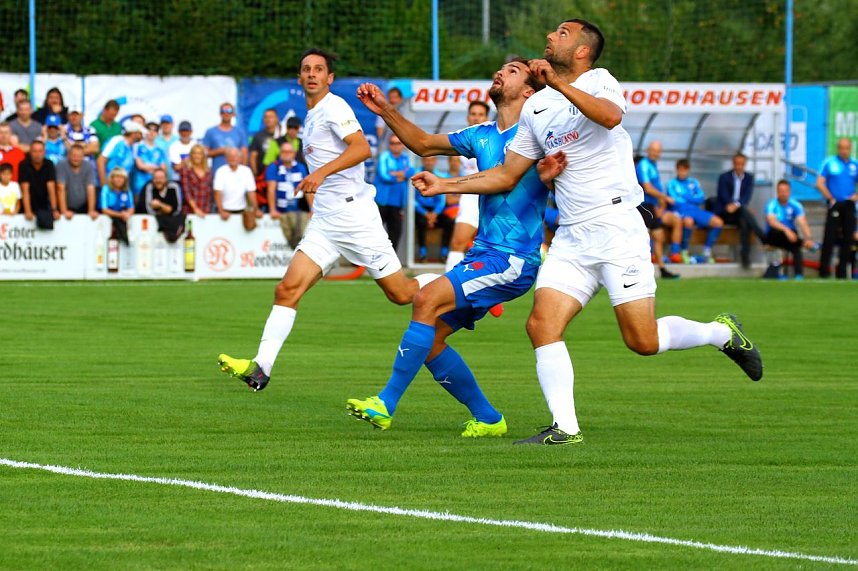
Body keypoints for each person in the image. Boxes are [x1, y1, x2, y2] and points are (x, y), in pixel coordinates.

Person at [411, 19, 763, 445]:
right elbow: (506, 174)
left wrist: (558, 84)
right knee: (541, 325)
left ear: (581, 50)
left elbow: (610, 117)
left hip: (617, 227)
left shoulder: (599, 81)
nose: (550, 37)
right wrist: (445, 184)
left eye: (561, 33)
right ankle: (566, 428)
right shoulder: (536, 111)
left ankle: (721, 332)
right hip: (572, 237)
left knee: (643, 341)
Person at [346, 58, 553, 437]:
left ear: (528, 89)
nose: (500, 72)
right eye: (501, 68)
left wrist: (444, 184)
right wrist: (386, 110)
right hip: (484, 253)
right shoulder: (483, 134)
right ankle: (489, 418)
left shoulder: (536, 133)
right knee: (432, 337)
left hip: (512, 257)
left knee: (425, 299)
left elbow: (506, 180)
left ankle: (385, 403)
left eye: (512, 70)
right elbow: (423, 143)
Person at [218, 48, 432, 392]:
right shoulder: (312, 115)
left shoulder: (335, 107)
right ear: (300, 78)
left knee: (401, 293)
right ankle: (262, 367)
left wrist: (320, 173)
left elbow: (361, 148)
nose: (313, 73)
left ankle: (462, 283)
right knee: (287, 289)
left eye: (319, 69)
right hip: (328, 221)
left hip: (356, 217)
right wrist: (319, 191)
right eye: (307, 69)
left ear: (329, 78)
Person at [446, 100, 490, 273]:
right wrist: (453, 165)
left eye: (480, 114)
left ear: (486, 117)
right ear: (468, 117)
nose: (476, 118)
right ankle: (448, 285)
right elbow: (454, 169)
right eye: (473, 114)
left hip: (494, 197)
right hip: (471, 198)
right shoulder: (460, 138)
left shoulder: (497, 137)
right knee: (458, 242)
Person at [636, 141, 681, 276]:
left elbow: (657, 188)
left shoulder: (653, 165)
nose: (655, 153)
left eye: (658, 151)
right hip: (643, 206)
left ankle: (663, 266)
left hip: (651, 206)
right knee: (650, 236)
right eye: (653, 150)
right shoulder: (643, 165)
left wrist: (661, 203)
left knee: (658, 236)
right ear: (647, 150)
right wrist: (665, 198)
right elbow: (648, 188)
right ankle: (647, 268)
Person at [715, 153, 767, 268]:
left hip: (739, 211)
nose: (739, 166)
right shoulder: (724, 177)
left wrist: (737, 205)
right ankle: (761, 235)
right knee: (745, 211)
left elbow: (747, 197)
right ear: (733, 164)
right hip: (725, 211)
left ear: (745, 165)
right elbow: (723, 195)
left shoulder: (749, 178)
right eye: (737, 164)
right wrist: (732, 205)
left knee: (745, 222)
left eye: (741, 164)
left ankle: (745, 256)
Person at [815, 138, 858, 279]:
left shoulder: (854, 164)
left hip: (849, 204)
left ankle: (842, 272)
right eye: (841, 148)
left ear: (850, 149)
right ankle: (824, 271)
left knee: (848, 239)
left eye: (846, 148)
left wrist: (855, 196)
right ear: (837, 148)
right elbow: (820, 183)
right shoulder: (830, 163)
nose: (844, 151)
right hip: (835, 203)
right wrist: (830, 197)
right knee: (830, 237)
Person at [667, 159, 723, 263]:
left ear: (688, 170)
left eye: (685, 170)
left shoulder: (694, 182)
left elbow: (701, 198)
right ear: (677, 170)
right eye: (680, 170)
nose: (682, 172)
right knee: (688, 222)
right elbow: (675, 201)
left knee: (718, 222)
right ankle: (684, 251)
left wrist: (685, 196)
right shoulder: (672, 183)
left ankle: (707, 251)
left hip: (695, 210)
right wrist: (691, 197)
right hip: (681, 210)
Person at [763, 179, 816, 280]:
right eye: (781, 191)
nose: (783, 194)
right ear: (777, 192)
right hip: (774, 235)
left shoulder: (795, 205)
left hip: (791, 237)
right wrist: (786, 231)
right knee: (782, 234)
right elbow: (771, 221)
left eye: (785, 191)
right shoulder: (772, 204)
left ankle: (798, 275)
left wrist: (809, 237)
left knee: (796, 247)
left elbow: (802, 222)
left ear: (789, 192)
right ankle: (804, 243)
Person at [373, 134, 414, 250]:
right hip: (382, 201)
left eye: (398, 143)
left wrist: (395, 173)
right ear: (389, 145)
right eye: (392, 143)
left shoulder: (406, 158)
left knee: (395, 233)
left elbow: (411, 171)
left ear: (402, 145)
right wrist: (401, 175)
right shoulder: (384, 156)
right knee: (375, 233)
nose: (395, 146)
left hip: (398, 203)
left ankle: (391, 263)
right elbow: (384, 175)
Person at [266, 142, 310, 249]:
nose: (286, 154)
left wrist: (312, 209)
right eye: (284, 152)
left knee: (300, 236)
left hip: (299, 209)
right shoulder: (274, 167)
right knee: (291, 238)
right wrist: (272, 210)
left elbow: (307, 190)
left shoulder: (301, 167)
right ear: (280, 153)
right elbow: (271, 189)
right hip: (282, 210)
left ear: (294, 154)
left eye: (289, 152)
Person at [414, 156, 454, 262]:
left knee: (449, 222)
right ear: (423, 161)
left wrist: (435, 214)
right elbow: (412, 200)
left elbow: (442, 200)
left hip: (436, 210)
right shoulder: (415, 176)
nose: (429, 162)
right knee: (421, 222)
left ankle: (444, 253)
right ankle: (423, 253)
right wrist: (425, 213)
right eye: (426, 160)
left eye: (431, 160)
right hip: (421, 210)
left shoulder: (440, 176)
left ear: (435, 161)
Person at [213, 146, 259, 229]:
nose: (233, 158)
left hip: (242, 211)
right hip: (224, 211)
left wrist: (256, 209)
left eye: (235, 156)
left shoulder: (246, 171)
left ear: (240, 158)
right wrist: (221, 211)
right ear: (226, 158)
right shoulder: (220, 171)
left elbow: (251, 192)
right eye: (230, 156)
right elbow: (217, 192)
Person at [19, 140, 58, 228]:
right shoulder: (24, 165)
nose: (37, 154)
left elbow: (51, 188)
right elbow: (25, 189)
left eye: (40, 151)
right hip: (27, 205)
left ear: (44, 152)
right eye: (34, 151)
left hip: (44, 206)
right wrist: (28, 211)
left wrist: (54, 209)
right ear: (30, 152)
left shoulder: (49, 164)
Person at [98, 120, 144, 189]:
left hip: (123, 187)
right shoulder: (116, 140)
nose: (142, 136)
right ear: (134, 133)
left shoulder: (133, 147)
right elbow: (101, 160)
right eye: (140, 133)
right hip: (109, 186)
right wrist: (104, 184)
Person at [56, 143, 98, 219]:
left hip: (83, 206)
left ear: (83, 157)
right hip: (65, 206)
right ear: (68, 155)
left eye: (79, 156)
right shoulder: (61, 165)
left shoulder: (88, 166)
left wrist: (91, 210)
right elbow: (60, 188)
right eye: (74, 156)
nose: (76, 159)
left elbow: (91, 188)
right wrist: (64, 211)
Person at [203, 102, 247, 174]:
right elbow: (204, 153)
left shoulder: (240, 132)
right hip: (217, 173)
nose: (226, 113)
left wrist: (243, 172)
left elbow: (244, 154)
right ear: (220, 114)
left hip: (236, 173)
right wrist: (219, 151)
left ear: (233, 114)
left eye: (229, 111)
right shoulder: (210, 131)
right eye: (223, 111)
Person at [99, 166, 135, 243]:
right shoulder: (106, 189)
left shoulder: (127, 190)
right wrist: (120, 215)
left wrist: (127, 214)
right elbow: (104, 209)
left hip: (123, 218)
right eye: (117, 177)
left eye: (122, 177)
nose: (119, 179)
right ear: (111, 178)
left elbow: (131, 207)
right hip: (109, 219)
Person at [132, 122, 168, 195]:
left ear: (157, 134)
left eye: (155, 130)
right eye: (149, 129)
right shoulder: (137, 146)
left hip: (155, 186)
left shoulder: (160, 150)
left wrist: (149, 167)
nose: (152, 132)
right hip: (139, 185)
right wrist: (156, 168)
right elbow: (140, 165)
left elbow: (163, 169)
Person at [179, 143, 212, 216]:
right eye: (194, 153)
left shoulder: (208, 171)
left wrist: (207, 210)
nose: (197, 156)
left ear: (203, 156)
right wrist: (195, 209)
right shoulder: (186, 170)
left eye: (199, 153)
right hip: (189, 211)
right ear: (191, 155)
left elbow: (209, 191)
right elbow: (186, 192)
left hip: (206, 210)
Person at [155, 115, 179, 180]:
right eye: (163, 124)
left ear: (172, 125)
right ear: (160, 125)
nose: (165, 126)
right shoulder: (155, 140)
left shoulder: (178, 140)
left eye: (168, 123)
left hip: (176, 176)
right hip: (159, 178)